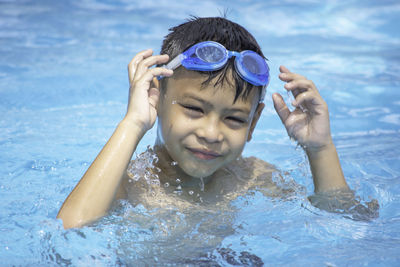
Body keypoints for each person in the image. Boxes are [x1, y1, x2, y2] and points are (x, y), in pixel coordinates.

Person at [57, 17, 357, 229]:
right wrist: (133, 122)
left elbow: (346, 221)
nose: (212, 134)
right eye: (194, 109)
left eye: (235, 119)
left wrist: (320, 149)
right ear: (157, 99)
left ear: (252, 125)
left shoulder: (253, 178)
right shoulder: (130, 185)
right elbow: (70, 229)